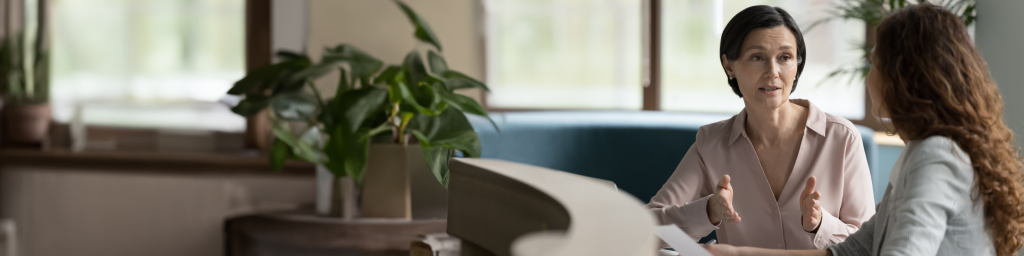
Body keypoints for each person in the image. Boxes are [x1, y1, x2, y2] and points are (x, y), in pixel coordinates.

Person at [705, 3, 1024, 256]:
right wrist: (733, 253)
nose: (869, 78)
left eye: (875, 65)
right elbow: (853, 251)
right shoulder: (922, 150)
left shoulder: (935, 156)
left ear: (902, 79)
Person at [647, 5, 874, 250]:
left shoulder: (842, 138)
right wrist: (709, 211)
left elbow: (869, 246)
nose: (773, 72)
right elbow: (650, 229)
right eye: (757, 57)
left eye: (785, 58)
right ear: (729, 66)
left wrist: (821, 225)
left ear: (797, 65)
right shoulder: (711, 144)